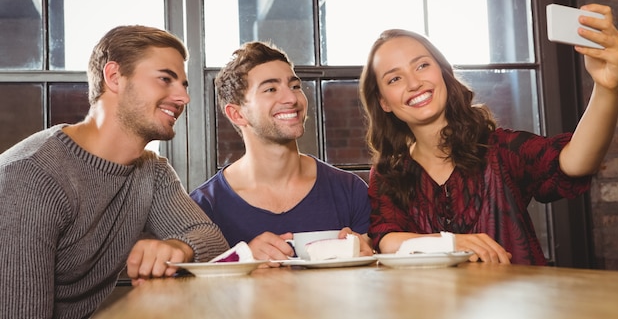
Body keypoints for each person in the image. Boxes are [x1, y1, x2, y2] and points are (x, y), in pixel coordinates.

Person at [359, 3, 618, 265]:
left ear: (443, 72)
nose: (414, 83)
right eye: (394, 79)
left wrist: (607, 88)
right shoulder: (388, 172)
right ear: (383, 101)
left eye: (422, 66)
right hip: (430, 307)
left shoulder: (499, 149)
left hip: (518, 304)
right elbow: (387, 240)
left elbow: (576, 162)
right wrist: (450, 243)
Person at [0, 25, 229, 318]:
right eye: (165, 79)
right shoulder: (30, 176)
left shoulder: (152, 172)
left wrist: (179, 248)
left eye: (183, 85)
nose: (183, 98)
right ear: (113, 77)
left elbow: (211, 241)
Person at [190, 41, 372, 264]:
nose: (292, 99)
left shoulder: (350, 191)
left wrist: (367, 254)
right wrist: (242, 260)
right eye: (270, 89)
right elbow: (192, 291)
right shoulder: (203, 207)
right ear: (237, 114)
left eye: (295, 86)